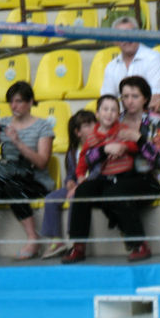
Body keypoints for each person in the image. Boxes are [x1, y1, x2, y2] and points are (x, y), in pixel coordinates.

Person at [63, 77, 160, 263]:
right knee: (83, 190)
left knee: (116, 191)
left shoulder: (155, 122)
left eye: (135, 96)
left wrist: (138, 139)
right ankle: (78, 246)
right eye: (125, 96)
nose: (129, 100)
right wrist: (104, 150)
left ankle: (139, 244)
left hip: (149, 177)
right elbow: (88, 157)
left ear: (145, 98)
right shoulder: (114, 119)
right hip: (113, 176)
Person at [0, 81, 55, 261]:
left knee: (12, 185)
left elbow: (42, 162)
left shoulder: (43, 126)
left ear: (30, 102)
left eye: (18, 101)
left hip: (35, 179)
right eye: (11, 102)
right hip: (7, 175)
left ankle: (33, 239)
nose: (14, 106)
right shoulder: (3, 124)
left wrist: (18, 142)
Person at [39, 109, 97, 259]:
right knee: (51, 198)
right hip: (75, 185)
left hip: (91, 185)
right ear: (78, 132)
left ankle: (75, 241)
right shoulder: (72, 152)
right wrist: (69, 181)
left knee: (74, 199)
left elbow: (97, 173)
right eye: (87, 125)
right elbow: (71, 173)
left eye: (93, 123)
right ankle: (56, 240)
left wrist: (78, 187)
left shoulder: (98, 148)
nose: (93, 127)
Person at [100, 16, 160, 113]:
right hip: (119, 120)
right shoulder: (111, 66)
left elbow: (156, 99)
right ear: (114, 40)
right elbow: (107, 100)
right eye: (121, 35)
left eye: (130, 34)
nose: (127, 39)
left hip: (147, 118)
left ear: (138, 35)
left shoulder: (154, 59)